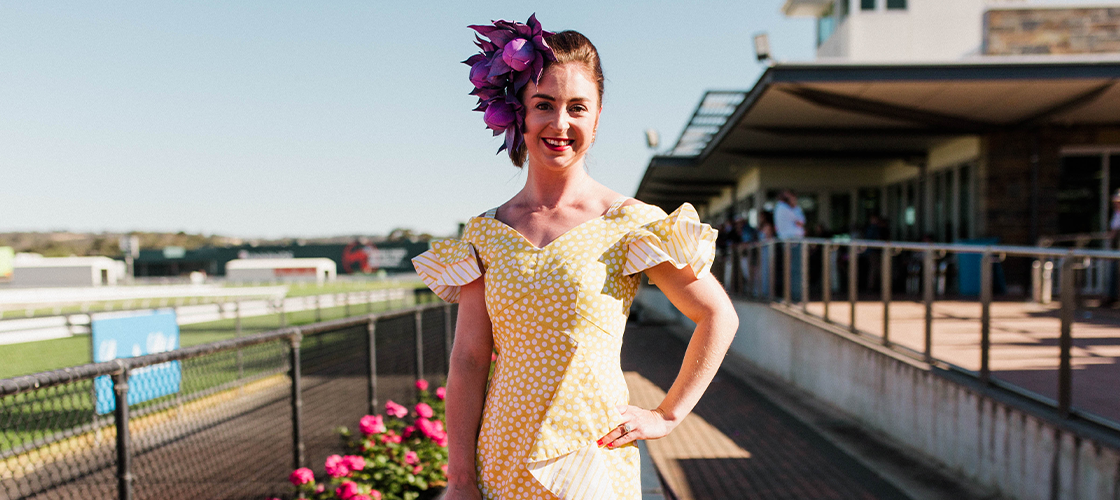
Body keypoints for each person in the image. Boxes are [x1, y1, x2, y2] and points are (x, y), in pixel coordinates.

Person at [412, 18, 738, 500]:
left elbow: (717, 316)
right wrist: (459, 478)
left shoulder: (632, 222)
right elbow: (468, 358)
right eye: (544, 105)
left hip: (594, 458)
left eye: (577, 108)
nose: (560, 123)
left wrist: (668, 415)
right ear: (518, 113)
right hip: (500, 459)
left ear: (597, 118)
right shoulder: (485, 232)